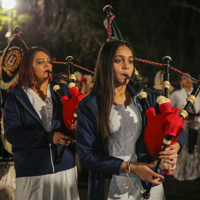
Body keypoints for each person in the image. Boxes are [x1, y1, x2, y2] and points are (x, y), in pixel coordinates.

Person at [76, 40, 186, 200]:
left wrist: (175, 146)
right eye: (119, 60)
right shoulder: (90, 105)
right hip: (111, 185)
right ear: (106, 64)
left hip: (149, 181)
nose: (126, 66)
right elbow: (86, 157)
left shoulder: (146, 97)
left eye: (130, 61)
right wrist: (131, 168)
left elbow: (175, 125)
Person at [1, 47, 79, 200]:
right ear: (28, 67)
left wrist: (78, 127)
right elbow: (13, 134)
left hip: (65, 170)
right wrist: (49, 137)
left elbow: (76, 121)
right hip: (33, 173)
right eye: (40, 62)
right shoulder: (15, 97)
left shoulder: (63, 90)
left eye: (49, 62)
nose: (47, 65)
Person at [171, 73, 200, 181]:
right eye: (185, 78)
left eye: (190, 78)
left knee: (195, 148)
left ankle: (196, 172)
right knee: (184, 148)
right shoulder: (177, 94)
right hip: (183, 125)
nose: (188, 80)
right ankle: (183, 173)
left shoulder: (198, 93)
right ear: (180, 81)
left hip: (197, 124)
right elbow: (169, 109)